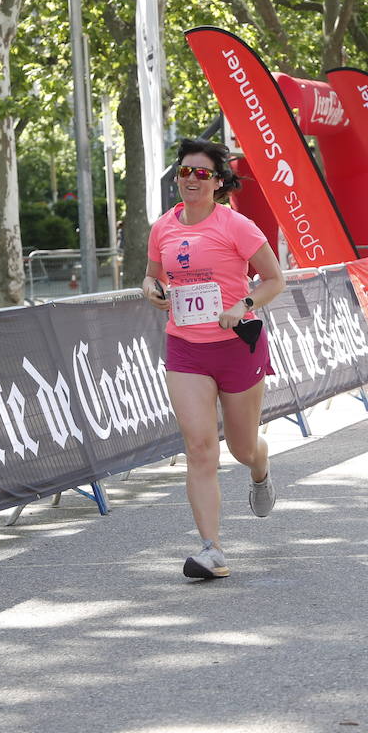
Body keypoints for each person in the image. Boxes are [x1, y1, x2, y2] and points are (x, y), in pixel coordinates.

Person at [143, 139, 285, 581]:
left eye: (200, 173)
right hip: (185, 347)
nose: (190, 179)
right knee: (200, 449)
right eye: (184, 172)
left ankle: (260, 468)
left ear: (218, 182)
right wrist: (150, 291)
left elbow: (273, 279)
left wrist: (242, 304)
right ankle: (212, 549)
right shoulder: (163, 228)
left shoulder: (236, 226)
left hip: (236, 344)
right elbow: (151, 277)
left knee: (242, 448)